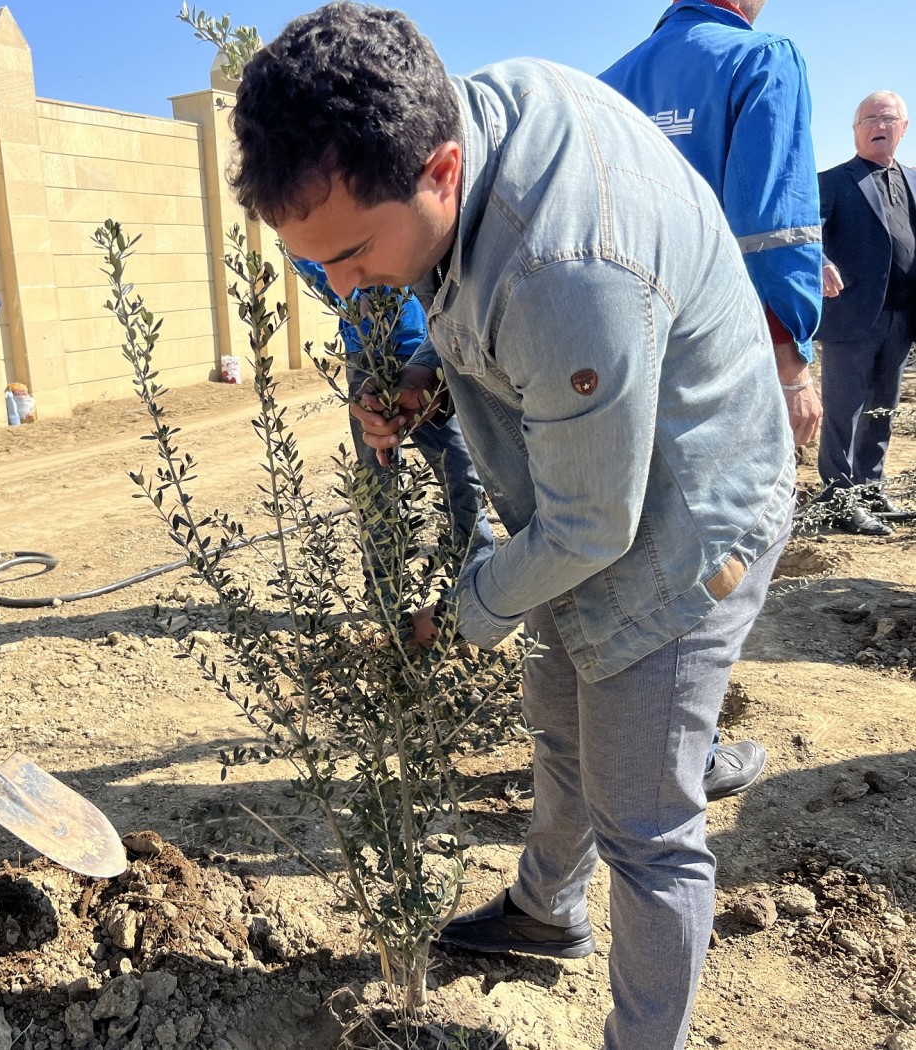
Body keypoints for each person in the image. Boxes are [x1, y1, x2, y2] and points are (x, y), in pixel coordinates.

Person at [229, 6, 793, 1049]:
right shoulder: (475, 120)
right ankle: (544, 910)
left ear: (439, 169)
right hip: (588, 491)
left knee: (645, 819)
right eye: (318, 269)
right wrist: (419, 378)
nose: (345, 288)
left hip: (680, 529)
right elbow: (476, 315)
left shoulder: (565, 265)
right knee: (557, 716)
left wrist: (465, 606)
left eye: (350, 255)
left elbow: (590, 526)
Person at [600, 0, 824, 798]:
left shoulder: (608, 84)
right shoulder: (762, 62)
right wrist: (792, 365)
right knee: (710, 553)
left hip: (617, 363)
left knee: (625, 546)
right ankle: (680, 756)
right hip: (714, 365)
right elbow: (771, 231)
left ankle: (610, 746)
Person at [293, 259, 492, 603]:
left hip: (425, 349)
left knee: (459, 467)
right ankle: (384, 600)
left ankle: (477, 583)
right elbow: (306, 255)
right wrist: (349, 294)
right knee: (377, 481)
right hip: (365, 356)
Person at [815, 91, 916, 536]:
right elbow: (806, 232)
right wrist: (818, 262)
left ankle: (871, 490)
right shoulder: (833, 181)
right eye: (868, 118)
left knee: (884, 406)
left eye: (887, 117)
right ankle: (839, 498)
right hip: (851, 314)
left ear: (903, 127)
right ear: (855, 131)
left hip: (903, 313)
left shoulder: (914, 179)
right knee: (844, 410)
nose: (878, 124)